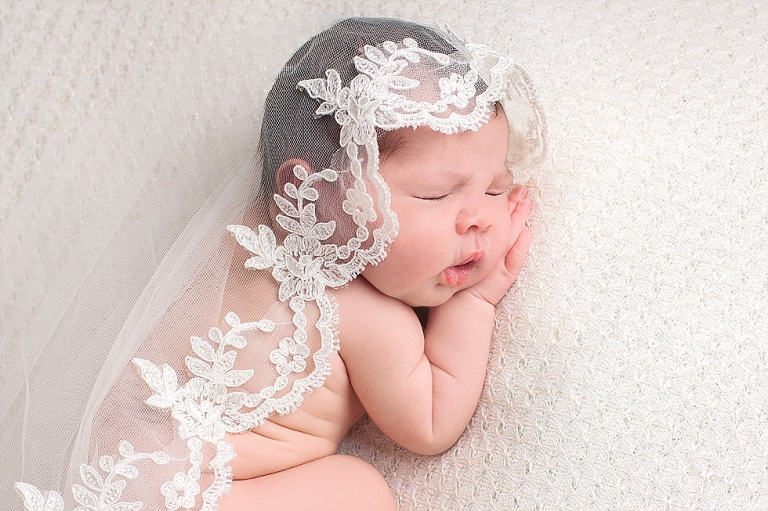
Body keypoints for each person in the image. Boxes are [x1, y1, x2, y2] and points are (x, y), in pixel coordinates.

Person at [12, 17, 545, 511]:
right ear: (319, 194)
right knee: (359, 489)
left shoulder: (231, 246)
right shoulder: (368, 316)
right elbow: (431, 423)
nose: (479, 219)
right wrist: (474, 302)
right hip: (176, 493)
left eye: (498, 188)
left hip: (85, 471)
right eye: (435, 196)